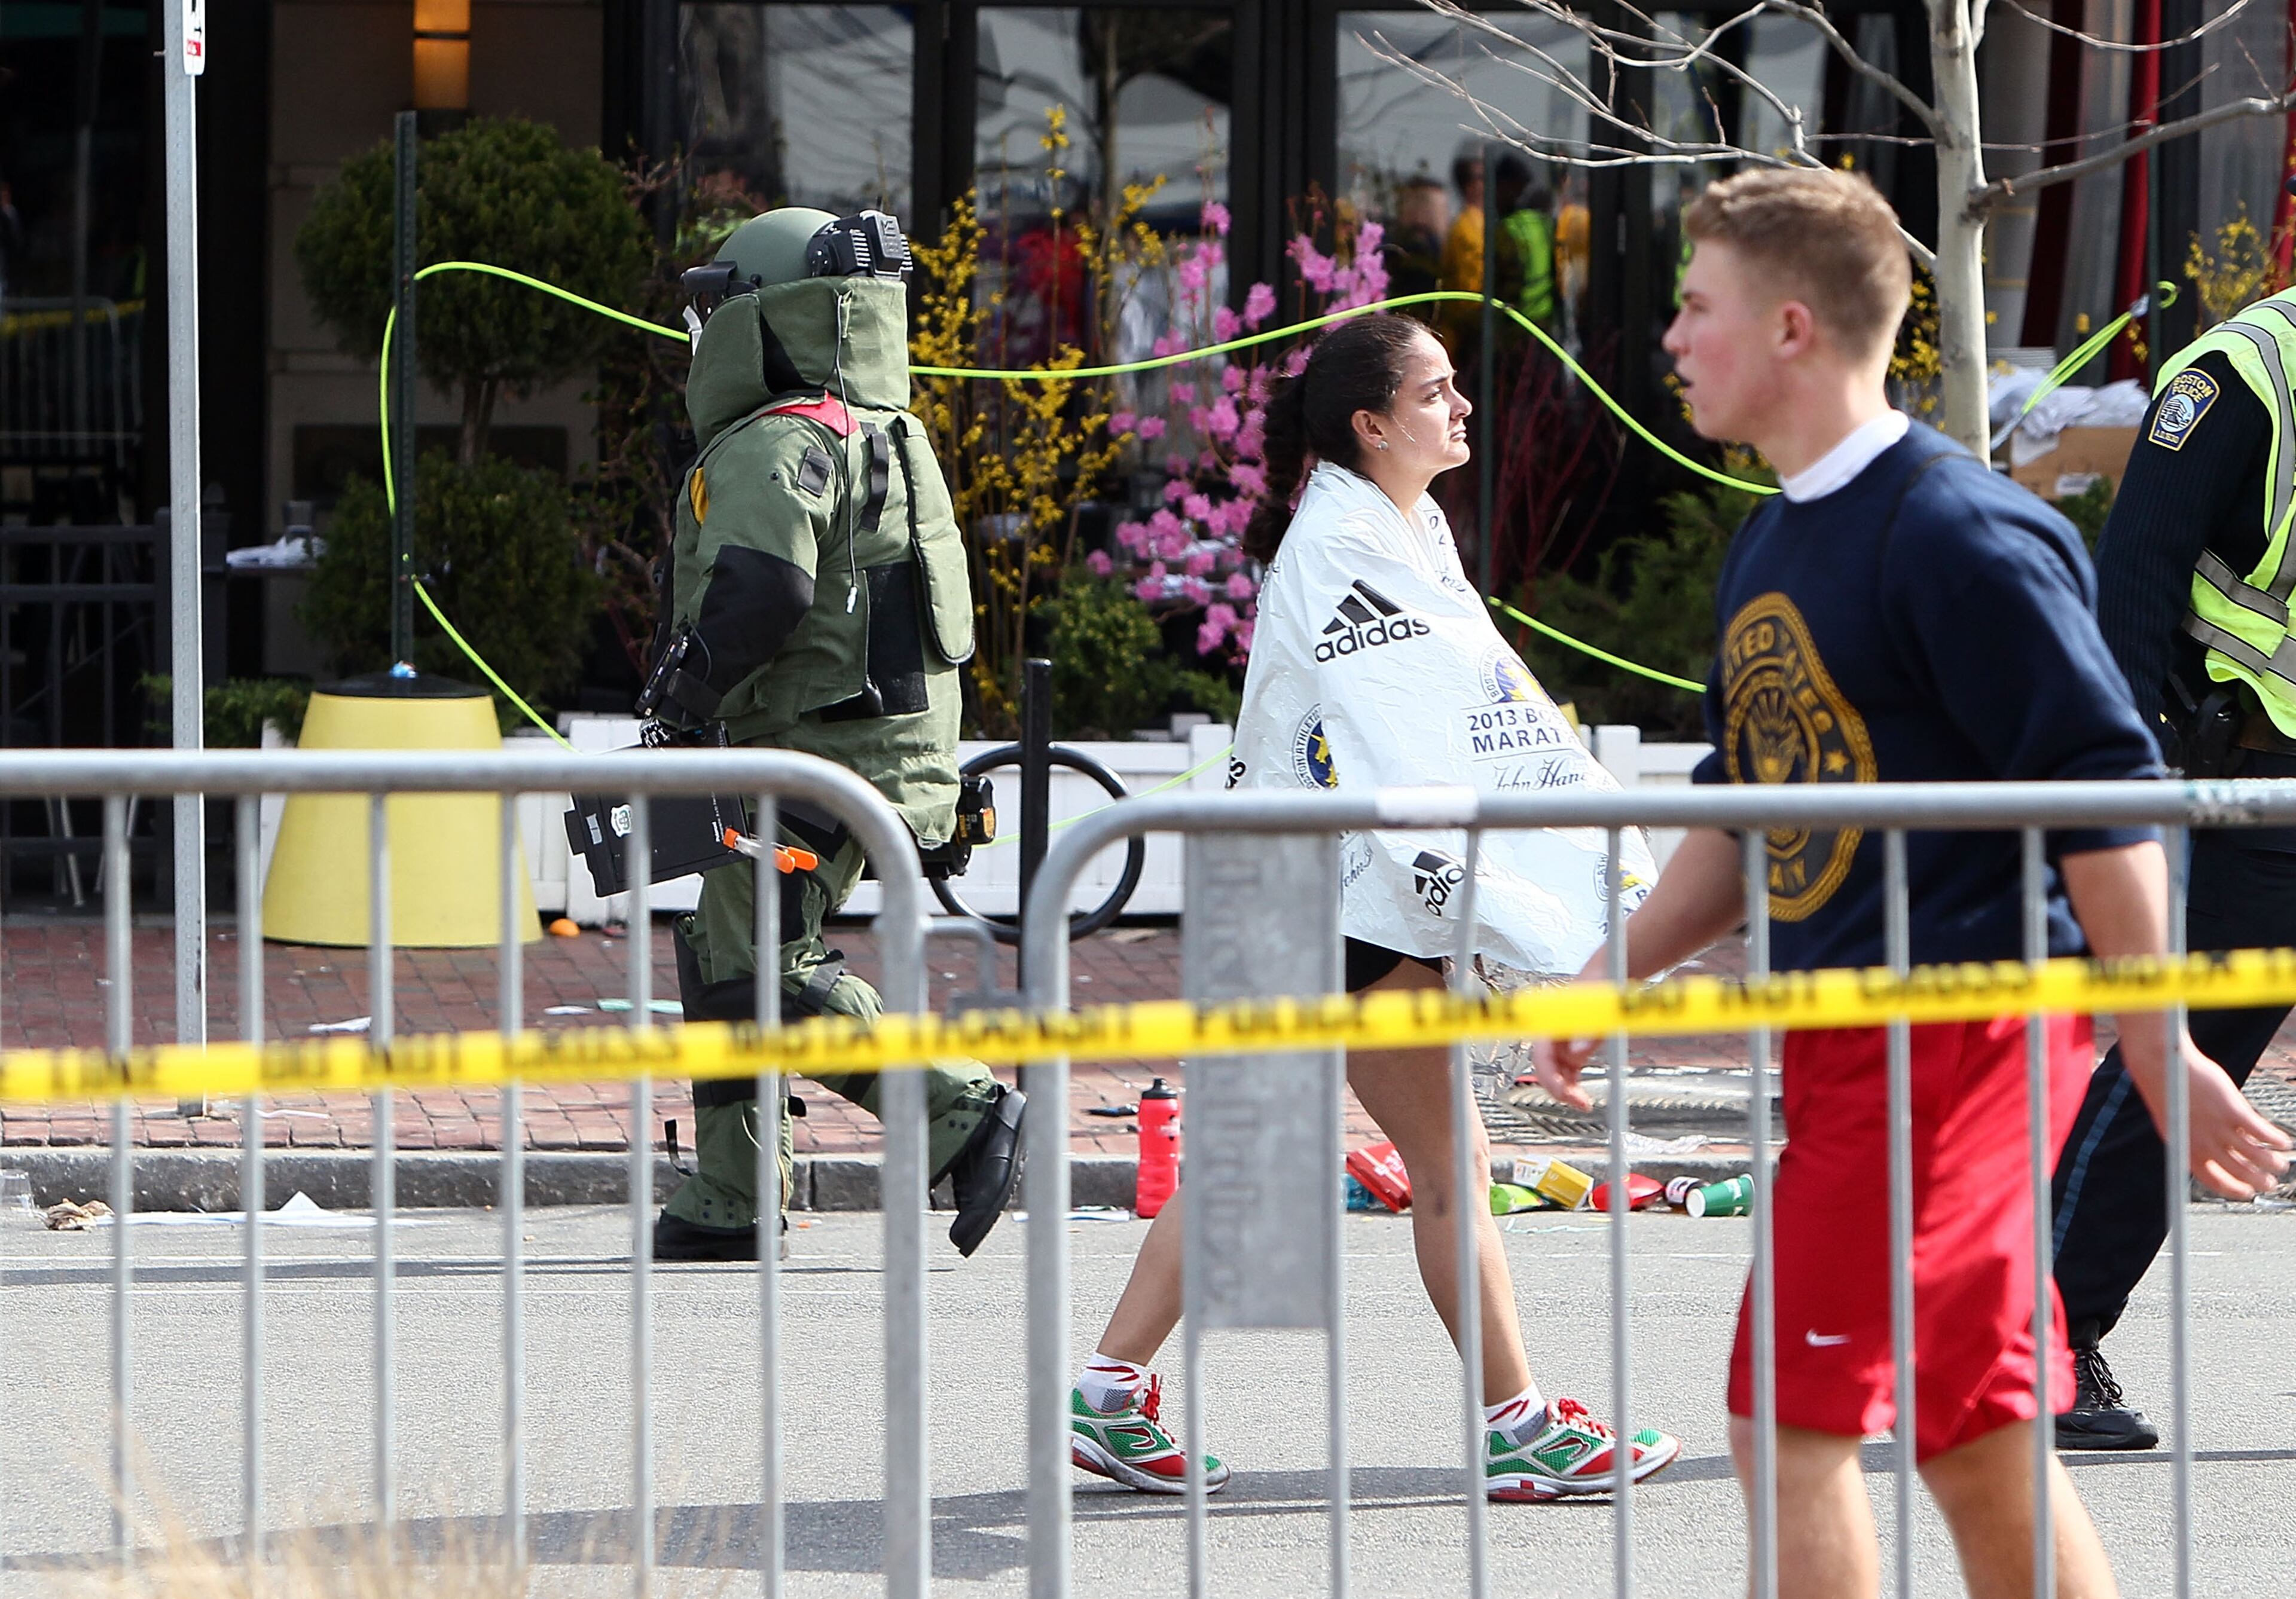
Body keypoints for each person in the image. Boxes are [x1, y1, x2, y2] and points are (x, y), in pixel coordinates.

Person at [1531, 167, 2289, 1598]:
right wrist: (1611, 969)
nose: (1673, 340)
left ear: (1792, 329)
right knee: (1977, 1437)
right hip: (1851, 1051)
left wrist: (2158, 1043)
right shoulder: (1771, 534)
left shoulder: (1957, 531)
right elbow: (1744, 806)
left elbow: (2103, 799)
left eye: (1698, 309)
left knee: (1785, 1426)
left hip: (1952, 1055)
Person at [1069, 312, 1683, 1502]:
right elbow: (1414, 736)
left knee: (1264, 1153)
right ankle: (1520, 1425)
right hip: (1351, 892)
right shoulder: (1349, 543)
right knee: (1449, 1161)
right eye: (1438, 390)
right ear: (1370, 422)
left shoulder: (1403, 524)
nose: (1462, 407)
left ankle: (1107, 1391)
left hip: (1323, 882)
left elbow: (1467, 714)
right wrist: (1507, 887)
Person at [643, 207, 1025, 1262]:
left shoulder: (782, 438)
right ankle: (731, 1195)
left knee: (763, 967)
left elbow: (765, 592)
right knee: (732, 955)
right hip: (853, 753)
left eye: (718, 306)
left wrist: (681, 697)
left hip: (810, 754)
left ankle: (964, 1111)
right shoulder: (884, 430)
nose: (704, 328)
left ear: (769, 316)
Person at [2048, 283, 2296, 1448]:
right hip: (2255, 784)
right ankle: (2047, 1332)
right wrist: (2128, 787)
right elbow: (2135, 580)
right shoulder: (2245, 369)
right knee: (2179, 1063)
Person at [1491, 154, 1556, 333]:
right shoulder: (1544, 225)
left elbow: (1508, 283)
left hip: (1517, 325)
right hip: (1543, 322)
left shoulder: (1509, 228)